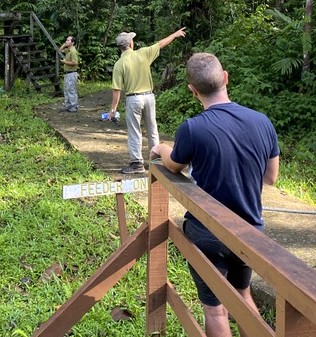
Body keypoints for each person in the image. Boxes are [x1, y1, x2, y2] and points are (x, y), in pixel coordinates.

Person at [151, 53, 279, 337]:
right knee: (243, 296)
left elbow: (173, 165)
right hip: (249, 231)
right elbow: (270, 177)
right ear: (225, 78)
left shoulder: (192, 128)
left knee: (216, 308)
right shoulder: (262, 122)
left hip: (207, 232)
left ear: (192, 91)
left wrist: (160, 148)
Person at [109, 28, 186, 174]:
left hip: (133, 99)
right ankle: (156, 160)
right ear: (131, 44)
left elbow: (116, 91)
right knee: (152, 128)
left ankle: (137, 163)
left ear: (120, 47)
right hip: (149, 97)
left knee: (134, 131)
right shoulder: (143, 53)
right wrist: (175, 34)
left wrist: (113, 110)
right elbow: (161, 44)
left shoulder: (119, 64)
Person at [58, 35, 79, 112]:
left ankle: (74, 106)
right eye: (66, 40)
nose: (66, 41)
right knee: (66, 89)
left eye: (68, 40)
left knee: (71, 89)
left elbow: (75, 63)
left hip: (72, 73)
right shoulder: (68, 50)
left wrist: (65, 62)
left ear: (72, 43)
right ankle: (68, 105)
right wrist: (65, 44)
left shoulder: (73, 51)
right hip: (67, 73)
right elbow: (59, 50)